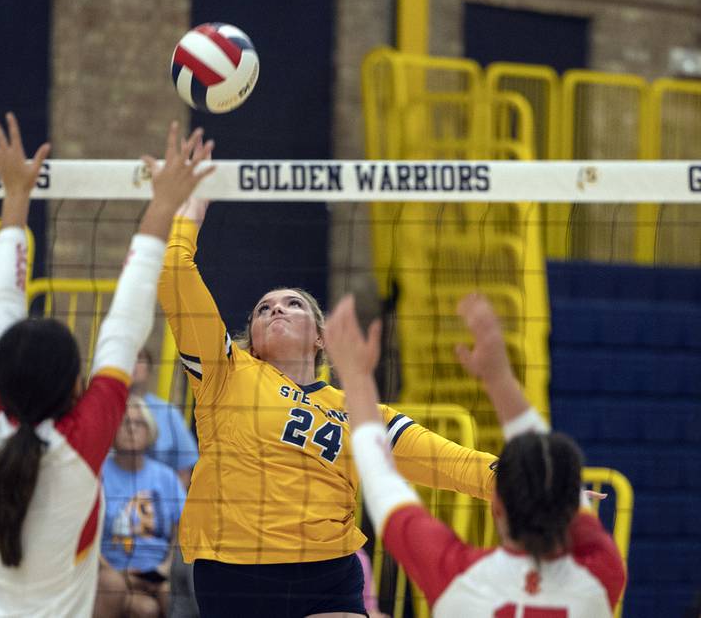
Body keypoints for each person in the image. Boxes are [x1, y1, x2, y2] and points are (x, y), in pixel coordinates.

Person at [157, 196, 500, 617]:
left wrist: (527, 485)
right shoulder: (225, 373)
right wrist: (187, 210)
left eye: (292, 304)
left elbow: (448, 461)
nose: (276, 309)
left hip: (327, 572)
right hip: (237, 572)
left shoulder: (358, 410)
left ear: (320, 337)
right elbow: (175, 275)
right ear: (252, 340)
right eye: (264, 310)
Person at [0, 112, 214, 617]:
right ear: (73, 387)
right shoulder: (71, 443)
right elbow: (115, 322)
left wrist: (14, 197)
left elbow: (115, 326)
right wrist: (165, 204)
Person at [325, 293, 627, 617]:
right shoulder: (602, 574)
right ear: (575, 510)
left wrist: (356, 379)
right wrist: (499, 378)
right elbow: (381, 482)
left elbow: (380, 482)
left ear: (497, 506)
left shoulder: (459, 576)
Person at [95, 395, 186, 618]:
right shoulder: (98, 474)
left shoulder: (166, 477)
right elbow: (85, 535)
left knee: (173, 597)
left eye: (139, 423)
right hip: (111, 573)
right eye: (125, 423)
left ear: (151, 431)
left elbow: (182, 531)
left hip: (156, 576)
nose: (132, 429)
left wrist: (165, 568)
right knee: (143, 609)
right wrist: (117, 573)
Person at [131, 347, 198, 489]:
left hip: (158, 502)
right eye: (128, 357)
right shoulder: (105, 409)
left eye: (139, 358)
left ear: (149, 369)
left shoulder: (168, 412)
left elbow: (184, 467)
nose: (133, 363)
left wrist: (173, 506)